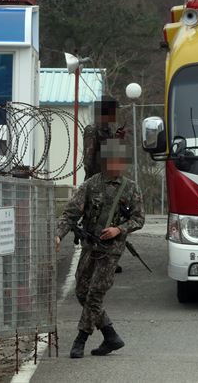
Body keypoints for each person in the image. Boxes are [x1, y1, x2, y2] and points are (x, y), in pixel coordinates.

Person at [55, 138, 145, 359]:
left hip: (112, 250)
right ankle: (110, 335)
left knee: (95, 294)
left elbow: (139, 219)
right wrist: (58, 235)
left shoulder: (131, 188)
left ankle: (80, 340)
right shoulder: (91, 185)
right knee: (81, 292)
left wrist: (119, 230)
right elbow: (70, 213)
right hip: (90, 245)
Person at [82, 95, 127, 273]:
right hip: (96, 183)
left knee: (109, 221)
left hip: (109, 181)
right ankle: (90, 262)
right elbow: (89, 159)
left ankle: (106, 260)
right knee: (93, 224)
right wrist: (96, 182)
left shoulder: (108, 130)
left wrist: (117, 139)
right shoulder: (92, 130)